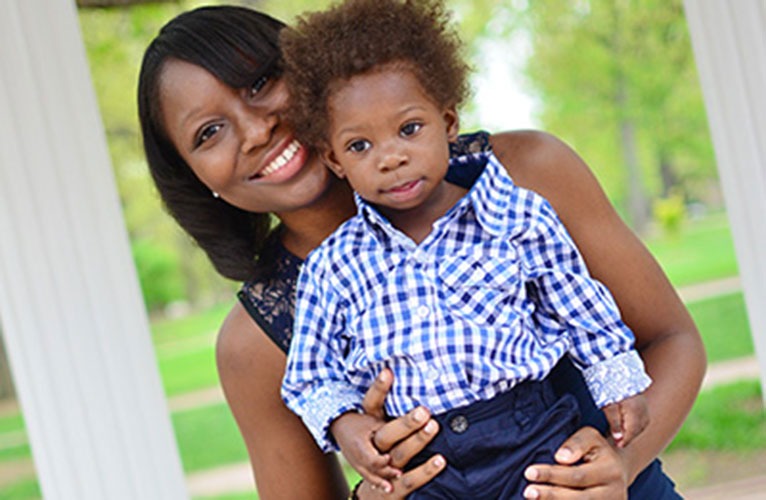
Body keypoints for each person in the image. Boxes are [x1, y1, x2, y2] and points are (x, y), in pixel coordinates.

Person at [137, 4, 705, 499]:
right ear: (195, 176)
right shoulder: (254, 344)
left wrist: (620, 465)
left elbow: (673, 340)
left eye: (259, 83)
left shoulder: (526, 175)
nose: (255, 130)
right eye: (208, 133)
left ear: (309, 72)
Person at [278, 1, 651, 497]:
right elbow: (310, 373)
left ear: (448, 122)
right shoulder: (333, 265)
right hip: (425, 463)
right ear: (335, 160)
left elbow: (577, 307)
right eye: (360, 146)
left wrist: (616, 382)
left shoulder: (517, 216)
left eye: (409, 129)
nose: (391, 157)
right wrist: (345, 425)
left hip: (529, 435)